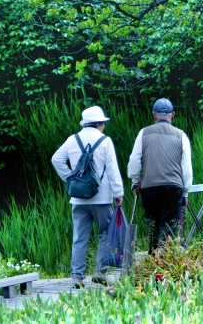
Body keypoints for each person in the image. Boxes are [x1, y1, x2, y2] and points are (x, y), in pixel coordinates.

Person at [51, 105, 124, 288]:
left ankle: (77, 276)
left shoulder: (72, 139)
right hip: (102, 197)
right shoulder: (105, 141)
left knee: (79, 237)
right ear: (99, 123)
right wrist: (118, 193)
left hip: (78, 198)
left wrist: (70, 177)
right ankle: (100, 272)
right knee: (105, 234)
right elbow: (113, 169)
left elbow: (56, 159)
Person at [127, 98, 193, 255]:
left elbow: (134, 160)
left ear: (154, 116)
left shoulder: (143, 133)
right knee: (169, 225)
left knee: (153, 223)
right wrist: (185, 192)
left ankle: (152, 260)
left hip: (150, 187)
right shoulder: (181, 135)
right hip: (173, 186)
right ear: (173, 115)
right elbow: (187, 168)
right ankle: (164, 260)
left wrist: (135, 180)